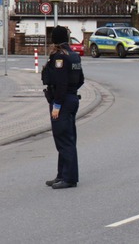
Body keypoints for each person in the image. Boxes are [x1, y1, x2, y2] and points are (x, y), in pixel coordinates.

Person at [41, 25, 84, 189]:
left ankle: (69, 178)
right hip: (72, 99)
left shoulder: (59, 57)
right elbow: (81, 79)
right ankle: (62, 175)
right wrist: (72, 92)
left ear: (55, 40)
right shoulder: (74, 56)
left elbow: (60, 83)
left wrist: (57, 105)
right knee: (66, 138)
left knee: (64, 140)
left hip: (62, 101)